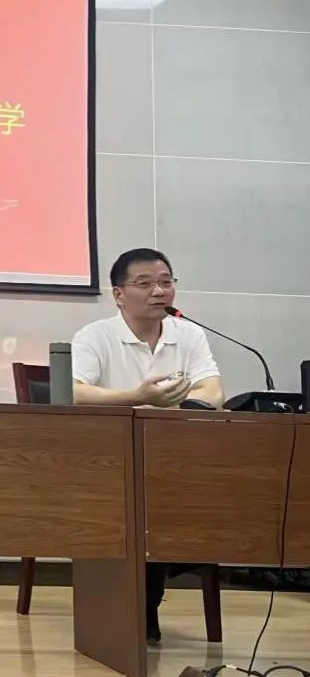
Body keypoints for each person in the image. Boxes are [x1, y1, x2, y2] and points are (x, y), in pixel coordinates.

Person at [71, 248, 224, 644]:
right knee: (145, 504)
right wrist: (138, 398)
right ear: (119, 294)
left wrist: (179, 410)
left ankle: (148, 593)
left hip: (172, 458)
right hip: (107, 462)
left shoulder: (188, 333)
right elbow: (74, 393)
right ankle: (142, 603)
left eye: (166, 282)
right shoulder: (95, 336)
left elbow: (213, 390)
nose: (159, 291)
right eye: (145, 283)